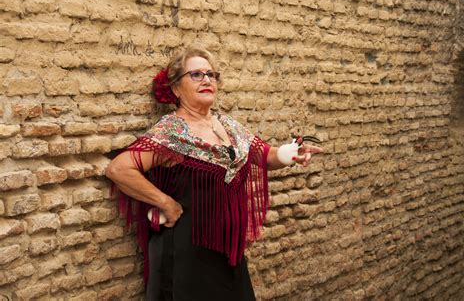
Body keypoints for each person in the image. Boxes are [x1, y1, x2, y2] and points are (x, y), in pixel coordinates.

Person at [105, 45, 323, 300]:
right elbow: (119, 169)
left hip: (227, 252)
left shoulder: (228, 126)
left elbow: (264, 156)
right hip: (185, 254)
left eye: (211, 74)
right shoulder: (171, 132)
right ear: (176, 88)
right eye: (196, 75)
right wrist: (165, 203)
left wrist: (290, 153)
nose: (206, 80)